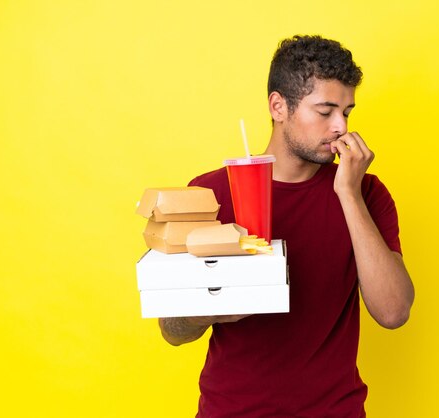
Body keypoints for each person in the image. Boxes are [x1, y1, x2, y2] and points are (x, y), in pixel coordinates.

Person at [158, 35, 415, 417]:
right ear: (279, 106)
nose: (341, 127)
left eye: (347, 111)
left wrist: (347, 193)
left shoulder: (367, 192)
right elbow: (172, 330)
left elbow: (393, 312)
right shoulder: (210, 193)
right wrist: (212, 307)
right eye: (325, 111)